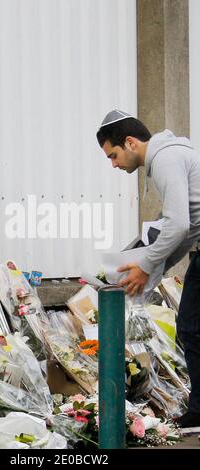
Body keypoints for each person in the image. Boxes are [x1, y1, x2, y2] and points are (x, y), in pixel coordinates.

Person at [97, 109, 200, 428]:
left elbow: (179, 226)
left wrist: (146, 265)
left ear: (130, 142)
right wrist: (153, 269)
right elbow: (187, 228)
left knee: (192, 327)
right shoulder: (175, 154)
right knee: (192, 326)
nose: (114, 164)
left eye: (113, 155)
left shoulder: (166, 159)